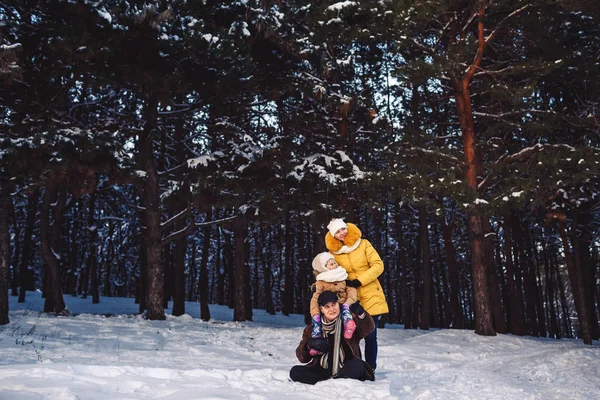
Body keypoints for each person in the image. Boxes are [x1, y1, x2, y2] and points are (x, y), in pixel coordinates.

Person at [324, 218, 389, 372]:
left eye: (343, 229)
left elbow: (378, 265)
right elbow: (327, 272)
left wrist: (360, 281)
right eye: (337, 232)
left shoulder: (364, 244)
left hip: (370, 294)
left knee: (370, 336)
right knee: (350, 337)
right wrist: (318, 286)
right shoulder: (332, 254)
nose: (342, 233)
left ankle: (371, 368)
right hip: (349, 298)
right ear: (333, 236)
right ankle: (355, 368)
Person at [290, 290, 375, 384]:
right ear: (321, 309)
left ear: (338, 304)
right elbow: (302, 357)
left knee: (357, 365)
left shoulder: (348, 323)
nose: (331, 309)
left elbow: (368, 328)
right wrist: (309, 344)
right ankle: (333, 381)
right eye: (327, 307)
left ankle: (336, 380)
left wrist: (361, 314)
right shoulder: (312, 329)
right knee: (295, 372)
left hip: (346, 367)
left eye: (334, 304)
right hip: (321, 370)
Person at [309, 252, 358, 356]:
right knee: (316, 324)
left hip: (342, 304)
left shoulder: (342, 277)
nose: (335, 265)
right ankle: (316, 344)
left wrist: (349, 302)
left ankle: (348, 325)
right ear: (324, 268)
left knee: (346, 311)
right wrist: (316, 314)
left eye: (334, 262)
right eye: (331, 264)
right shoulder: (321, 281)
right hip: (327, 306)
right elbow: (316, 297)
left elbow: (351, 291)